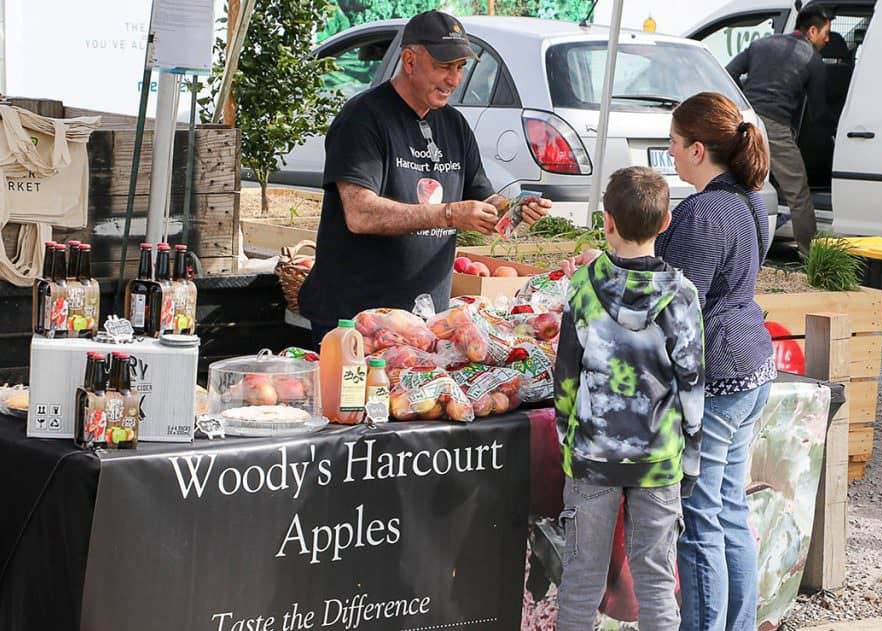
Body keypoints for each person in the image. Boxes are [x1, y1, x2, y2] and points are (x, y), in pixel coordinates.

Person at [298, 10, 552, 347]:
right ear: (409, 60)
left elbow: (484, 198)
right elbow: (360, 214)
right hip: (356, 319)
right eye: (444, 67)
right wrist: (449, 214)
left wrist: (514, 211)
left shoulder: (455, 126)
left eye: (460, 67)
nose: (454, 79)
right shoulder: (363, 119)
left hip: (426, 318)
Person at [554, 166, 705, 631]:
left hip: (592, 457)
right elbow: (692, 386)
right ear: (665, 223)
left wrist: (569, 440)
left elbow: (566, 377)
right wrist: (691, 461)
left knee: (581, 582)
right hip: (659, 459)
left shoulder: (582, 288)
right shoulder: (683, 297)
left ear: (607, 221)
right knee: (657, 585)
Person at [655, 92, 776, 631]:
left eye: (676, 145)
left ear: (698, 149)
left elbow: (680, 304)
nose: (672, 155)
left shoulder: (705, 211)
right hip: (750, 364)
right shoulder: (751, 201)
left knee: (701, 518)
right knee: (728, 509)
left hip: (719, 375)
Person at [725, 5, 832, 255]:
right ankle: (811, 256)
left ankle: (732, 249)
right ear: (812, 30)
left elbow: (729, 74)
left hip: (743, 120)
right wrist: (832, 135)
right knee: (798, 193)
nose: (828, 39)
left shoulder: (761, 45)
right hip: (775, 127)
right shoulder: (813, 60)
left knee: (737, 184)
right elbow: (818, 112)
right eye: (826, 33)